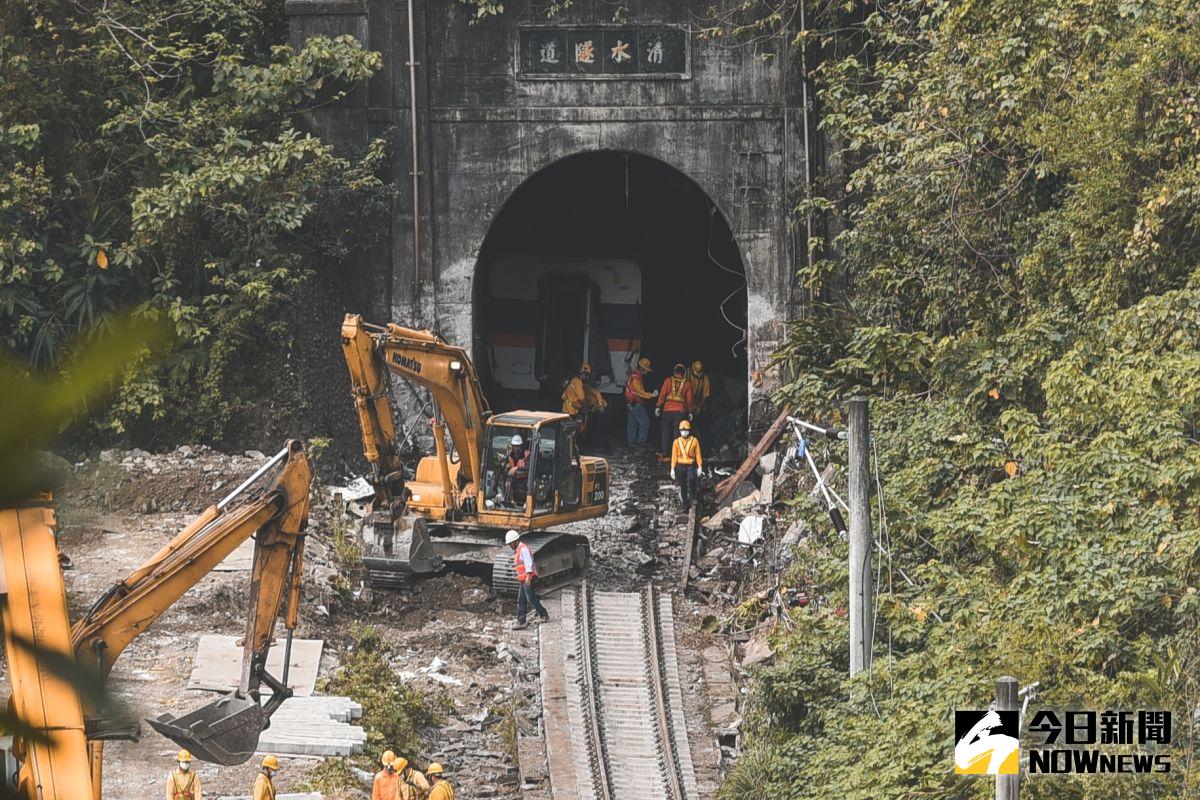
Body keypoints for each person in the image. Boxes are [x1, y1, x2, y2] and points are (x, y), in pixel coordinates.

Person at [506, 529, 549, 628]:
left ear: (515, 541)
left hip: (528, 579)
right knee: (521, 600)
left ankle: (543, 614)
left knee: (531, 599)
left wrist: (528, 579)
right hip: (524, 579)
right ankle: (522, 621)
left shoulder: (523, 549)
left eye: (510, 544)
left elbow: (528, 565)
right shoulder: (518, 550)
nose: (510, 546)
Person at [656, 363, 694, 460]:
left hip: (667, 410)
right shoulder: (687, 384)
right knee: (677, 432)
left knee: (665, 431)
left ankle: (665, 453)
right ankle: (676, 453)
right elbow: (689, 400)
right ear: (684, 373)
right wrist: (690, 412)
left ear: (674, 372)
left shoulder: (668, 381)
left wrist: (658, 406)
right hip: (680, 411)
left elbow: (662, 395)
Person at [561, 362, 607, 431]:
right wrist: (588, 407)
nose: (588, 378)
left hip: (571, 410)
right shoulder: (577, 383)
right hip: (569, 411)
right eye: (587, 375)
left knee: (572, 431)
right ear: (583, 374)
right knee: (570, 432)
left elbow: (592, 392)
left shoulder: (576, 381)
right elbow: (582, 399)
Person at [623, 357, 657, 447]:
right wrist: (652, 395)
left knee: (632, 423)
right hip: (634, 403)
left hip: (630, 402)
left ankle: (631, 443)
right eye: (646, 370)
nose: (646, 372)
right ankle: (641, 442)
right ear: (642, 369)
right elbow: (640, 393)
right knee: (645, 421)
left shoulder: (635, 375)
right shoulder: (636, 378)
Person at [670, 419, 703, 511]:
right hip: (680, 466)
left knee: (692, 480)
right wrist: (672, 468)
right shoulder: (676, 442)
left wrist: (700, 466)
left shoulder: (694, 441)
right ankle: (685, 502)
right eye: (682, 430)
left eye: (686, 430)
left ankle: (692, 498)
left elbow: (698, 454)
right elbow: (674, 456)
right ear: (680, 431)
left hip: (690, 465)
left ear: (689, 430)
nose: (684, 432)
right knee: (683, 484)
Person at [502, 434, 530, 506]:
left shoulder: (527, 454)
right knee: (508, 483)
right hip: (515, 477)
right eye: (514, 446)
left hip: (526, 477)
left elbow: (528, 467)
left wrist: (516, 468)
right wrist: (507, 466)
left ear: (520, 446)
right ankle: (511, 501)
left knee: (530, 485)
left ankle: (528, 502)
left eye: (517, 446)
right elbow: (509, 465)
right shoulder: (511, 455)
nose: (515, 448)